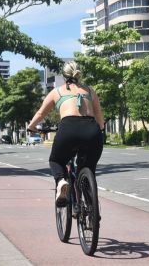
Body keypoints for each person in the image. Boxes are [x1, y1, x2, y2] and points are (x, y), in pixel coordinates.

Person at [27, 61, 105, 207]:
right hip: (91, 130)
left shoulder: (57, 92)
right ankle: (90, 203)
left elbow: (41, 113)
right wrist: (99, 129)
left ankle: (61, 181)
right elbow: (99, 116)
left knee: (56, 161)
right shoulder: (89, 90)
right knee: (88, 166)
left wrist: (31, 127)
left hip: (68, 128)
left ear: (64, 76)